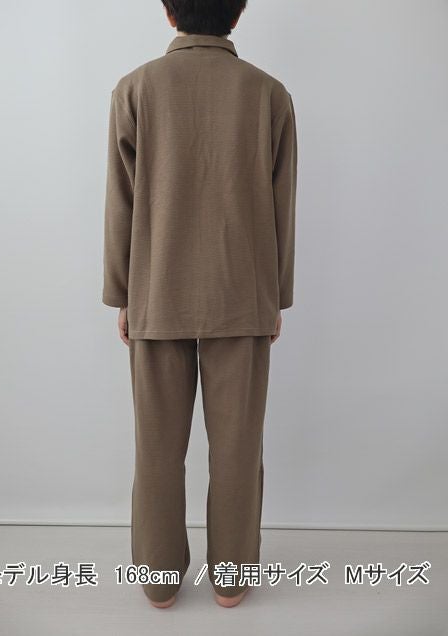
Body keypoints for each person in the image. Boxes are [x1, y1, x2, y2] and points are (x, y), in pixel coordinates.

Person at [102, 0, 297, 609]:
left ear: (169, 13)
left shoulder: (135, 89)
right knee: (238, 447)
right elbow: (282, 204)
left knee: (156, 448)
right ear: (238, 13)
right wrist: (276, 296)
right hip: (243, 293)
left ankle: (159, 581)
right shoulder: (268, 94)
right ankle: (231, 581)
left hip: (157, 290)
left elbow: (121, 201)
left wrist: (122, 295)